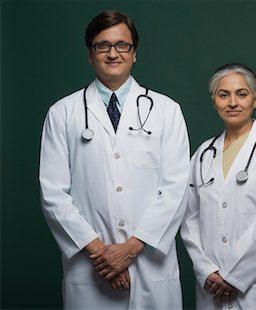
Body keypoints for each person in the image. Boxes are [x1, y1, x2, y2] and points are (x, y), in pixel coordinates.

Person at [39, 10, 190, 309]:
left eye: (122, 45)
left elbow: (176, 189)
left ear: (134, 54)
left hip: (150, 264)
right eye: (102, 45)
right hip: (90, 267)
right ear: (90, 54)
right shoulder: (62, 113)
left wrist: (131, 249)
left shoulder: (166, 110)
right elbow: (53, 194)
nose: (112, 53)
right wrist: (101, 253)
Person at [180, 63, 256, 309]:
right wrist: (207, 270)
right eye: (223, 95)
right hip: (212, 285)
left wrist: (234, 276)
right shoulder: (203, 154)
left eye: (241, 94)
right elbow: (189, 219)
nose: (232, 102)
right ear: (214, 101)